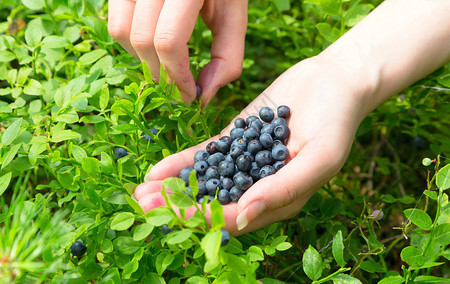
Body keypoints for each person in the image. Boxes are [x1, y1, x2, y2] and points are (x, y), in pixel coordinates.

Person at [108, 0, 450, 236]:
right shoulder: (253, 144)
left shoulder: (260, 145)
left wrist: (345, 72)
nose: (240, 150)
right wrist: (348, 68)